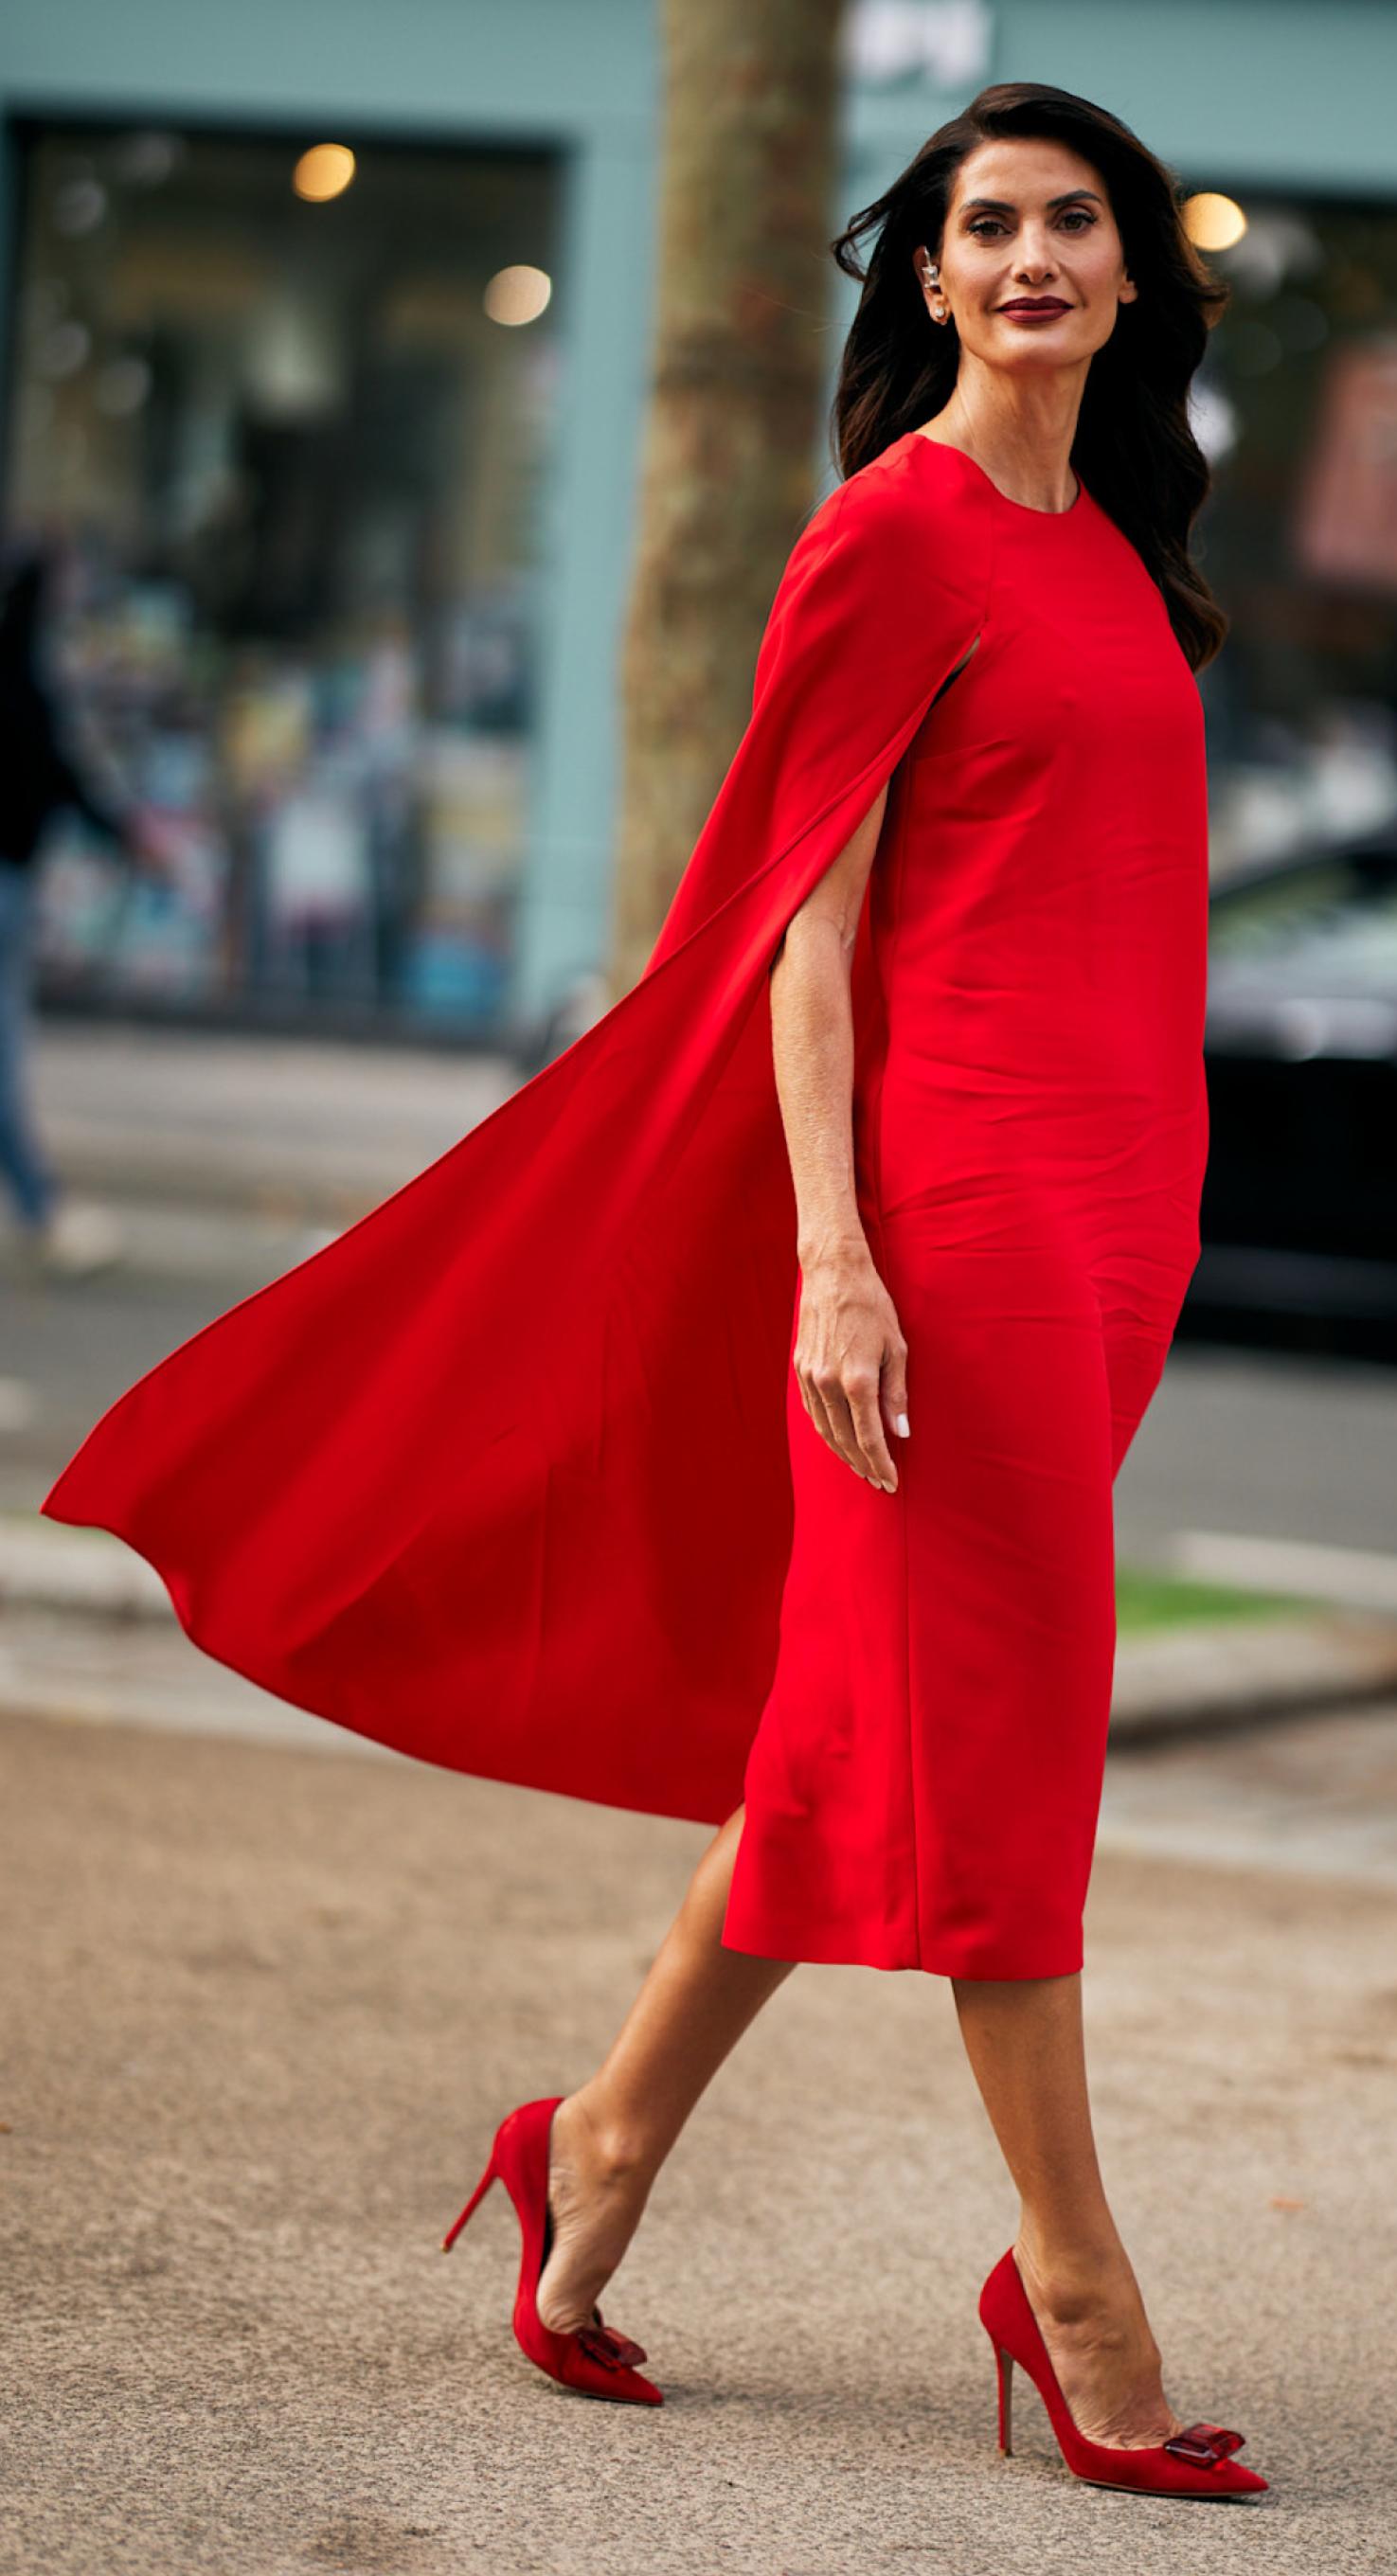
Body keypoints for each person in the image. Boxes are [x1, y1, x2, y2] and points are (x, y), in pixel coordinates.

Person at [42, 84, 1263, 2498]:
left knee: (846, 1739)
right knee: (998, 1740)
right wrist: (834, 1255)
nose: (1030, 256)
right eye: (983, 224)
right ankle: (1079, 2284)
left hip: (1116, 1209)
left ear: (1135, 277)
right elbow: (803, 926)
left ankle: (590, 2148)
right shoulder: (887, 540)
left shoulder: (1118, 548)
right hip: (952, 1215)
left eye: (1072, 222)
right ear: (923, 277)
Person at [0, 546, 149, 1276]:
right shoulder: (22, 684)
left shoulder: (26, 681)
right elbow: (60, 773)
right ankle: (39, 1203)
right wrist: (123, 831)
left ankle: (39, 1202)